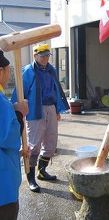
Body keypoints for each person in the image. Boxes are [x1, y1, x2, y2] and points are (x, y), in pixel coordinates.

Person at [12, 44, 69, 193]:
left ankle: (42, 171)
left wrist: (57, 110)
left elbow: (55, 90)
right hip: (35, 109)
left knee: (51, 143)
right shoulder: (28, 71)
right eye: (42, 55)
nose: (44, 58)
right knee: (33, 145)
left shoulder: (51, 70)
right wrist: (18, 110)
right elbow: (19, 91)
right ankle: (31, 178)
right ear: (35, 56)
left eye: (47, 55)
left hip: (50, 107)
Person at [0, 50, 29, 220]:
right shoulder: (1, 102)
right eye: (8, 69)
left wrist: (19, 154)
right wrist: (19, 113)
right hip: (3, 191)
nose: (9, 74)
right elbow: (8, 138)